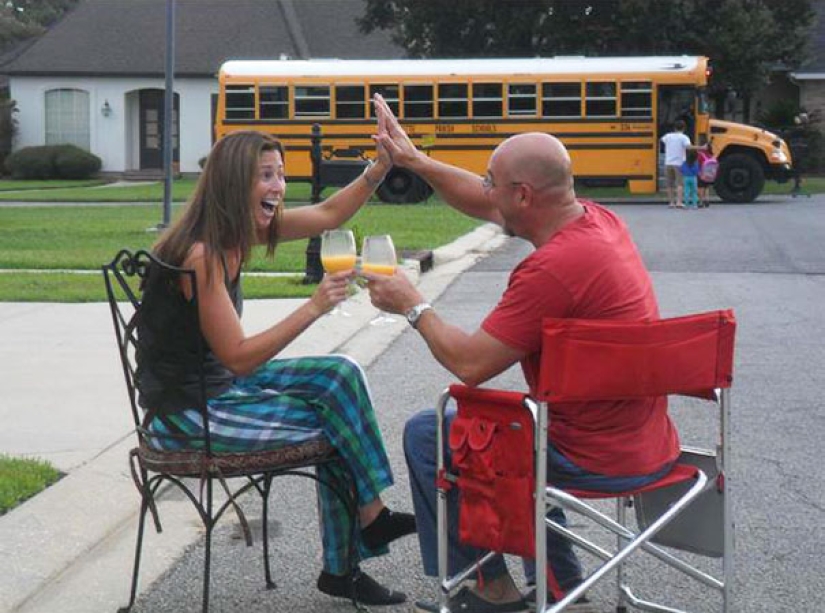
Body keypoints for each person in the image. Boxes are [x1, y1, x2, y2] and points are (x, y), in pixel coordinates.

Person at [364, 94, 680, 613]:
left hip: (589, 454)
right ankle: (561, 589)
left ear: (525, 196)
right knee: (524, 426)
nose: (486, 190)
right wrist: (414, 161)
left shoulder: (552, 270)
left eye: (492, 180)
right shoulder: (599, 223)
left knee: (433, 431)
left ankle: (491, 588)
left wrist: (412, 304)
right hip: (644, 441)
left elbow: (470, 365)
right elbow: (488, 203)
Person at [135, 129, 415, 606]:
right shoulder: (200, 253)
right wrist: (314, 308)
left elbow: (329, 214)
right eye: (265, 176)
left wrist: (379, 168)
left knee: (340, 375)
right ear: (231, 182)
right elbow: (239, 355)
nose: (279, 187)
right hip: (185, 415)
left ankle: (371, 514)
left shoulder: (239, 231)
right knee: (336, 425)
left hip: (217, 387)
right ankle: (345, 563)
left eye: (281, 174)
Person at [660, 119, 692, 208]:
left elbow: (662, 140)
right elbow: (689, 148)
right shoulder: (684, 137)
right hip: (679, 163)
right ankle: (679, 202)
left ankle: (671, 202)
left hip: (668, 162)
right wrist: (702, 148)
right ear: (684, 128)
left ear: (674, 127)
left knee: (669, 184)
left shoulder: (668, 136)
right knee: (679, 184)